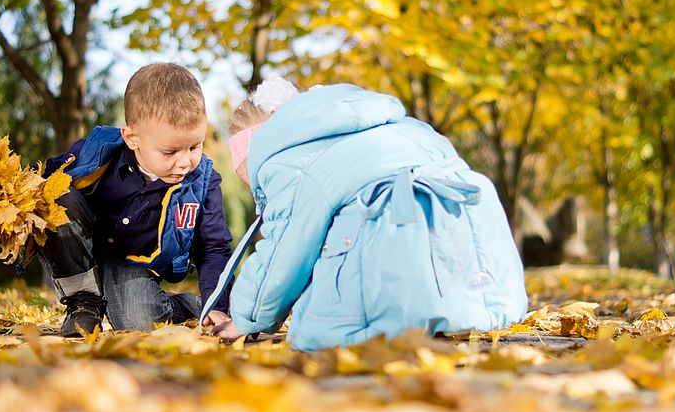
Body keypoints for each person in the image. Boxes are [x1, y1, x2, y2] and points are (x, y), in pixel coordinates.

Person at [205, 79, 528, 351]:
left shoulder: (287, 160)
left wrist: (248, 316)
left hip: (398, 273)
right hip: (483, 278)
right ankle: (457, 306)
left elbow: (284, 249)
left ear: (256, 153)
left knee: (315, 325)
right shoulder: (388, 127)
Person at [39, 63, 234, 337]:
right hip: (84, 245)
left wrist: (216, 304)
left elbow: (214, 248)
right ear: (133, 138)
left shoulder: (203, 181)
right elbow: (42, 180)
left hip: (133, 262)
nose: (185, 161)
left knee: (139, 322)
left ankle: (188, 306)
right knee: (55, 194)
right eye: (170, 152)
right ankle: (83, 303)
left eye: (194, 146)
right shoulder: (95, 154)